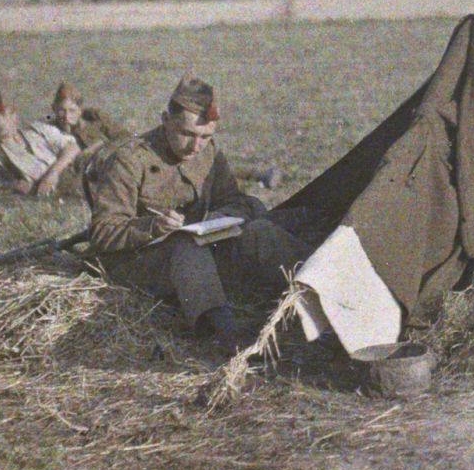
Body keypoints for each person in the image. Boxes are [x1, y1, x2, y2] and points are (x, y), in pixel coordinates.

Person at [83, 74, 306, 348]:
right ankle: (224, 335)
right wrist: (152, 227)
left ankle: (321, 292)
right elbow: (103, 232)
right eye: (186, 134)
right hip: (142, 262)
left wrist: (220, 216)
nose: (195, 146)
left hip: (198, 256)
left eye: (205, 136)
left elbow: (236, 200)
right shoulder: (129, 160)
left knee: (259, 231)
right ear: (165, 120)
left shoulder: (208, 153)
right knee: (186, 248)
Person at [0, 90, 81, 196]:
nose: (0, 123)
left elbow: (73, 148)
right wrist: (15, 186)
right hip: (51, 192)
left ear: (14, 116)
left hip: (72, 174)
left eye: (4, 116)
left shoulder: (38, 129)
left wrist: (53, 174)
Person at [44, 82, 126, 154]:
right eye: (61, 110)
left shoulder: (96, 122)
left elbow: (124, 137)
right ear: (54, 108)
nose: (66, 116)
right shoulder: (48, 131)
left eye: (72, 111)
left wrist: (98, 145)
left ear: (80, 110)